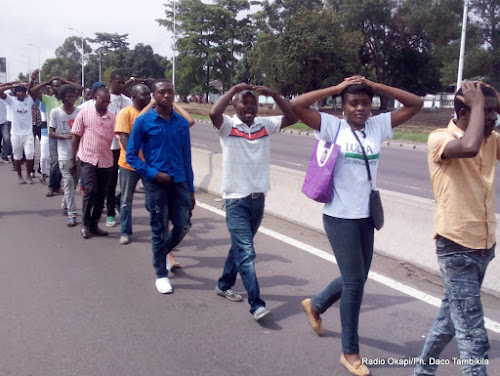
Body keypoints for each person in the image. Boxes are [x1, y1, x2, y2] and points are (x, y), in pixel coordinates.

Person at [290, 76, 422, 376]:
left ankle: (317, 304)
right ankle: (350, 352)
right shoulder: (331, 126)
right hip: (339, 216)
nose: (360, 108)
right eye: (353, 103)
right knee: (354, 284)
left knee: (358, 279)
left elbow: (416, 103)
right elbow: (297, 104)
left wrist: (377, 86)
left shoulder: (377, 126)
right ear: (344, 106)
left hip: (366, 216)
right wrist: (336, 88)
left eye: (365, 102)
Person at [412, 81, 498, 376]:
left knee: (449, 321)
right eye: (485, 112)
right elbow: (469, 146)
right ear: (464, 111)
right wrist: (478, 108)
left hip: (485, 246)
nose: (493, 117)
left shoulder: (492, 139)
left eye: (495, 111)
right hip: (456, 247)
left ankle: (422, 372)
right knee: (473, 336)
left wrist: (491, 105)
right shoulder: (439, 138)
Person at [209, 83, 298, 321]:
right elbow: (213, 113)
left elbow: (292, 116)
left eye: (253, 103)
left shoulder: (265, 126)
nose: (249, 107)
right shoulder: (227, 126)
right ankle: (256, 304)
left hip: (258, 200)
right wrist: (232, 89)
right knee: (247, 252)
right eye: (244, 102)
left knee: (240, 248)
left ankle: (224, 284)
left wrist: (274, 95)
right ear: (234, 104)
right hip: (236, 200)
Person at [126, 79, 195, 294]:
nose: (166, 96)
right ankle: (161, 274)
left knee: (183, 224)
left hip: (180, 181)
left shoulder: (181, 123)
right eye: (161, 92)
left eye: (170, 92)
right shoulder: (143, 122)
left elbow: (187, 158)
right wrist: (154, 174)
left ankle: (161, 253)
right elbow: (131, 157)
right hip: (155, 183)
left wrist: (191, 190)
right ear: (154, 95)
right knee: (158, 228)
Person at [70, 87, 115, 239]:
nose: (106, 104)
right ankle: (85, 223)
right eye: (103, 101)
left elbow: (120, 135)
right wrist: (72, 159)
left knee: (102, 194)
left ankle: (94, 224)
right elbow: (75, 136)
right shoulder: (84, 114)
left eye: (108, 102)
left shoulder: (112, 117)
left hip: (106, 160)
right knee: (91, 190)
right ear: (95, 98)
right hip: (87, 158)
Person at [30, 72, 83, 196]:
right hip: (54, 135)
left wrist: (64, 81)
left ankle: (58, 185)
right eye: (55, 86)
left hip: (70, 135)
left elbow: (80, 89)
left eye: (59, 86)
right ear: (51, 88)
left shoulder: (69, 98)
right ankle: (52, 186)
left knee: (68, 161)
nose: (57, 88)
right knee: (54, 162)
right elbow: (32, 91)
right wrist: (48, 82)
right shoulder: (48, 99)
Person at [49, 85, 81, 227]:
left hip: (79, 154)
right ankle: (72, 214)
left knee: (73, 183)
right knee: (68, 183)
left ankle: (65, 202)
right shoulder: (56, 112)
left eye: (73, 96)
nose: (71, 99)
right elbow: (51, 132)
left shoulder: (80, 112)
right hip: (63, 154)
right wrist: (64, 136)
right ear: (62, 98)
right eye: (68, 97)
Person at [106, 70, 133, 228]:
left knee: (127, 182)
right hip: (107, 147)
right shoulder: (103, 98)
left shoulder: (127, 100)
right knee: (110, 182)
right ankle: (110, 213)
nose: (121, 85)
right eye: (118, 82)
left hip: (123, 147)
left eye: (123, 82)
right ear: (111, 81)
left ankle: (117, 202)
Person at [0, 83, 37, 184]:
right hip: (16, 134)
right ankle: (20, 176)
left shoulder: (29, 100)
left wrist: (32, 80)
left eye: (22, 91)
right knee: (17, 156)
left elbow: (33, 91)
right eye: (18, 91)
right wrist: (10, 86)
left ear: (25, 92)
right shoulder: (11, 101)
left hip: (28, 134)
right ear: (15, 93)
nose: (20, 93)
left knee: (29, 155)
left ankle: (28, 175)